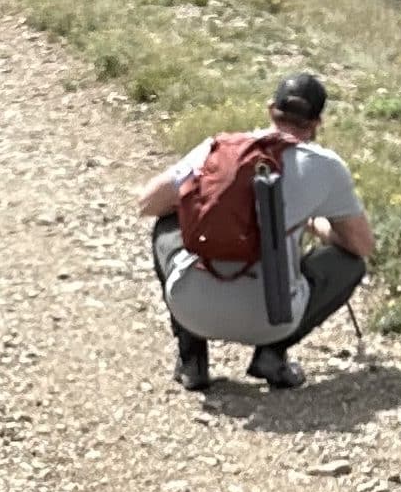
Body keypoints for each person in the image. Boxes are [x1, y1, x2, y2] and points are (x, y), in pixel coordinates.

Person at [138, 68, 374, 392]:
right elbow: (361, 246)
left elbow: (147, 202)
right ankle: (272, 356)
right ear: (318, 122)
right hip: (274, 321)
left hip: (190, 308)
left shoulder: (218, 149)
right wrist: (318, 228)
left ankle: (191, 359)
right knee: (348, 264)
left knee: (167, 222)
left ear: (269, 109)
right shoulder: (327, 167)